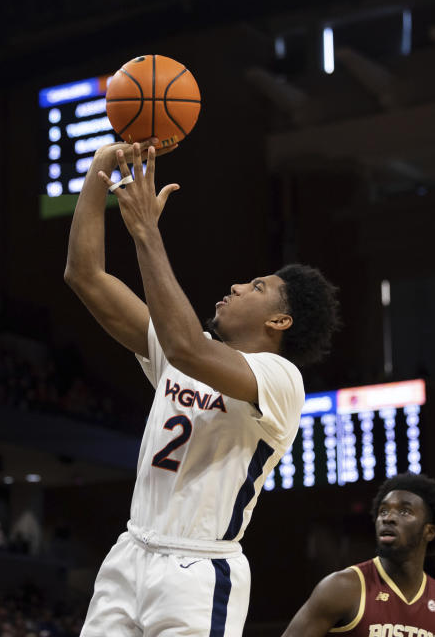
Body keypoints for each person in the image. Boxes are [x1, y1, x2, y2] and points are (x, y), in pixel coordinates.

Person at [65, 141, 340, 636]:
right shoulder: (182, 350)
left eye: (256, 287)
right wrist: (98, 174)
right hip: (129, 553)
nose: (236, 286)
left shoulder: (280, 379)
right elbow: (85, 276)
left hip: (199, 569)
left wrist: (147, 232)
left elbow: (187, 346)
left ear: (280, 320)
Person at [281, 473, 435, 637]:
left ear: (429, 531)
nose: (388, 518)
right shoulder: (342, 588)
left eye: (405, 511)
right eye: (383, 511)